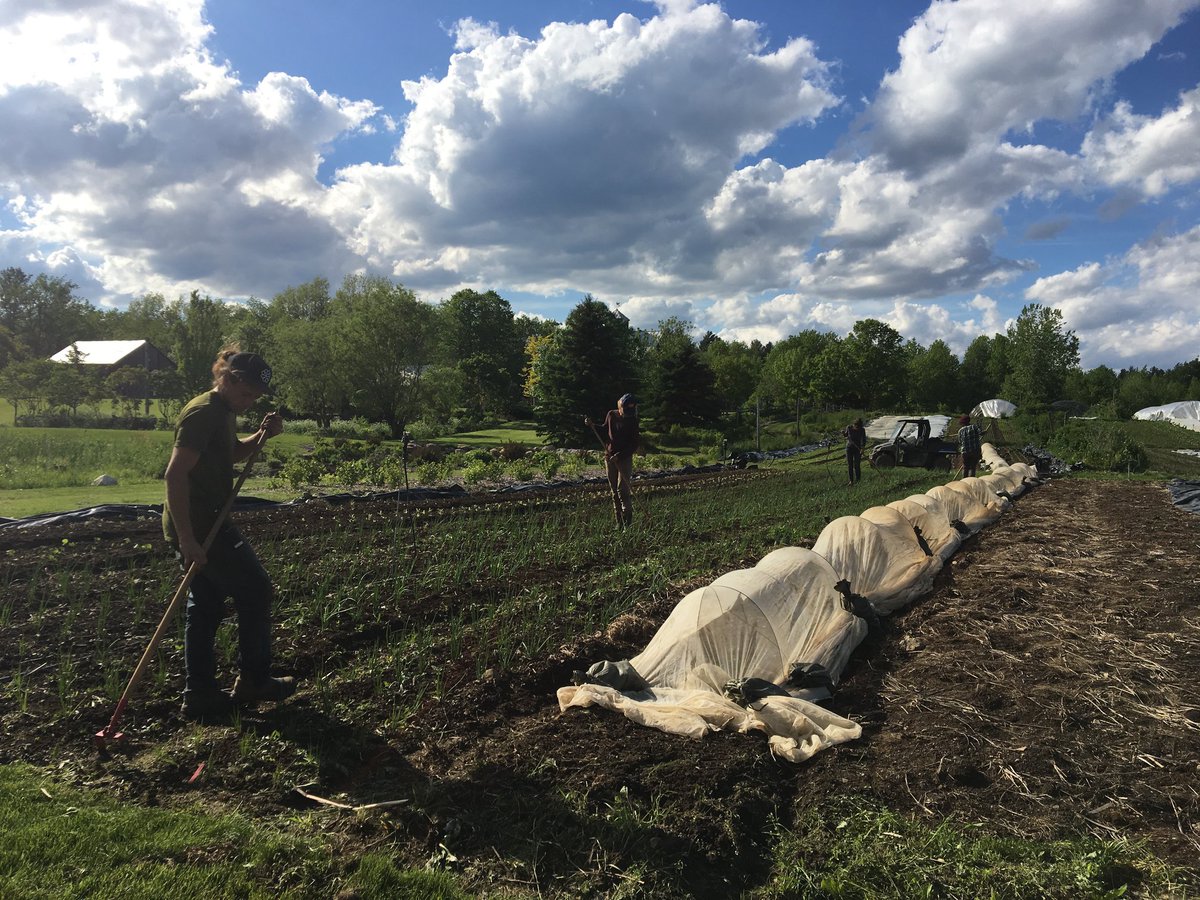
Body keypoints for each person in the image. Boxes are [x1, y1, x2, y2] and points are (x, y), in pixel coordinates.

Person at [163, 347, 295, 722]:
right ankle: (253, 680)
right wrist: (188, 540)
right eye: (247, 393)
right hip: (203, 527)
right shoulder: (203, 413)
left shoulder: (223, 410)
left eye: (256, 396)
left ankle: (200, 694)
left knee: (205, 607)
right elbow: (175, 475)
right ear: (227, 377)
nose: (250, 401)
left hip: (210, 522)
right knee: (255, 589)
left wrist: (262, 435)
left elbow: (231, 454)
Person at [585, 393, 640, 527]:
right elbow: (604, 430)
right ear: (620, 406)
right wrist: (592, 425)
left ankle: (627, 522)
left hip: (624, 458)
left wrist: (620, 455)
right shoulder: (611, 415)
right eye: (625, 410)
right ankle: (619, 523)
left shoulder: (633, 420)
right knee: (614, 491)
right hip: (609, 457)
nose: (627, 413)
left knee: (623, 490)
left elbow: (634, 444)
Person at [844, 417, 867, 485]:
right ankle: (851, 481)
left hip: (858, 449)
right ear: (854, 424)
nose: (857, 428)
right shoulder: (849, 428)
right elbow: (846, 435)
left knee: (857, 465)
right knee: (850, 465)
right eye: (856, 427)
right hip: (849, 448)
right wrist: (843, 433)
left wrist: (862, 448)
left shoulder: (862, 430)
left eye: (858, 428)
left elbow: (864, 439)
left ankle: (858, 480)